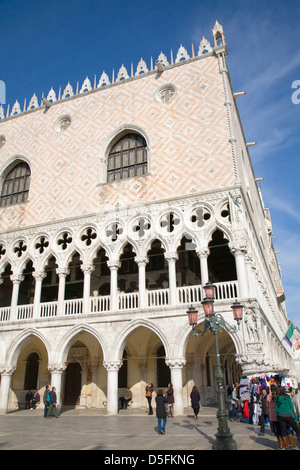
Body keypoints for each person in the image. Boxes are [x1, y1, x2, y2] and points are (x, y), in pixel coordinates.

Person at [275, 385, 300, 450]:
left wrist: (278, 416)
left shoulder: (276, 397)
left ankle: (286, 447)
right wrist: (295, 417)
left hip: (280, 416)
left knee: (283, 432)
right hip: (288, 415)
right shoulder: (287, 397)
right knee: (297, 430)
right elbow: (292, 407)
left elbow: (276, 408)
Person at [267, 384, 283, 449]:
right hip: (278, 414)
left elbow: (267, 405)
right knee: (281, 428)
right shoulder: (278, 395)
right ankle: (283, 442)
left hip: (272, 415)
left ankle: (280, 444)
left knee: (276, 429)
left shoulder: (268, 396)